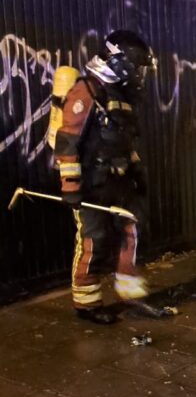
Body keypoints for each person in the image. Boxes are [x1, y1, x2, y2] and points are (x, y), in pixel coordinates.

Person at [54, 29, 156, 324]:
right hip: (92, 185)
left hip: (119, 180)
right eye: (136, 66)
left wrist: (136, 169)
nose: (139, 73)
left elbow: (124, 142)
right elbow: (68, 142)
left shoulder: (120, 97)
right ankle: (86, 304)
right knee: (94, 240)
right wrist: (70, 185)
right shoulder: (87, 91)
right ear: (120, 62)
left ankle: (130, 295)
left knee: (131, 231)